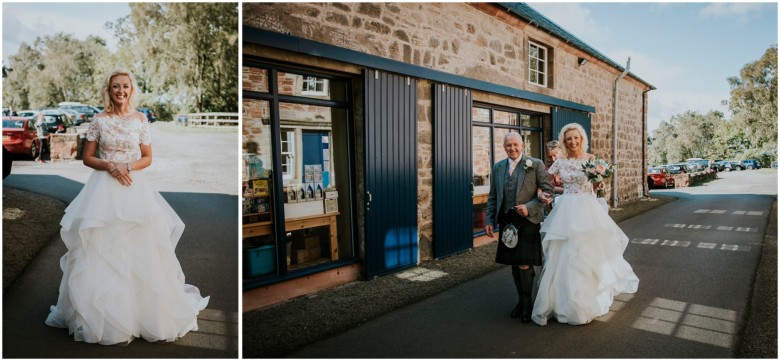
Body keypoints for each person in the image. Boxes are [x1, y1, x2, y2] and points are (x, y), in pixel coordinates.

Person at [45, 69, 209, 345]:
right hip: (103, 191)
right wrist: (111, 166)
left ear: (132, 89)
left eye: (125, 86)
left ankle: (143, 313)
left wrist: (126, 166)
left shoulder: (140, 120)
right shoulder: (99, 120)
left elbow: (147, 157)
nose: (120, 91)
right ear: (108, 90)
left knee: (141, 248)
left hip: (135, 188)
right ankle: (101, 316)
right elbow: (87, 157)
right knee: (99, 247)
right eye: (115, 86)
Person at [531, 123, 639, 326]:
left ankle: (588, 301)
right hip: (566, 210)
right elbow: (544, 180)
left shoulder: (591, 160)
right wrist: (540, 193)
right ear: (564, 141)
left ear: (582, 139)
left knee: (588, 254)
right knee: (563, 254)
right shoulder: (560, 161)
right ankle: (561, 303)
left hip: (588, 209)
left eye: (576, 138)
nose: (572, 142)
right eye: (568, 138)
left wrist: (600, 184)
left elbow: (598, 187)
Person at [484, 132, 553, 323]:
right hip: (507, 220)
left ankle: (527, 302)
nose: (512, 148)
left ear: (522, 145)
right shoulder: (498, 167)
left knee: (524, 262)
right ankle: (520, 301)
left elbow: (548, 192)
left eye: (515, 145)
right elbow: (493, 197)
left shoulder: (535, 164)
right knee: (514, 263)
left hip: (527, 220)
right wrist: (489, 220)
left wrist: (529, 207)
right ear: (504, 147)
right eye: (508, 145)